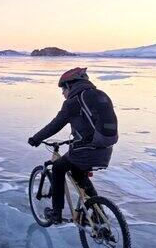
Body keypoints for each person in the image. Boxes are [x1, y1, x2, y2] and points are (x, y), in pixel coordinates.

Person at [27, 67, 118, 223]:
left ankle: (56, 213)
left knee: (57, 168)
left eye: (63, 88)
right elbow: (93, 125)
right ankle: (98, 215)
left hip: (85, 151)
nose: (62, 92)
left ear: (70, 85)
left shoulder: (73, 102)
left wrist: (36, 138)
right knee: (79, 174)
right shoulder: (97, 96)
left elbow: (55, 124)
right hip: (104, 149)